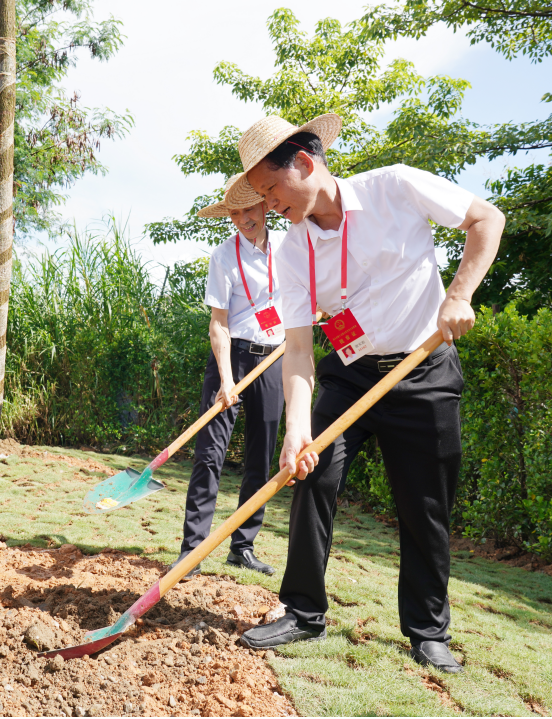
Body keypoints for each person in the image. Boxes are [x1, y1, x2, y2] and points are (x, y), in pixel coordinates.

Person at [232, 114, 505, 674]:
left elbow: (486, 219)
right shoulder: (291, 251)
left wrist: (458, 294)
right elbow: (301, 349)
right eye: (260, 195)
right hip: (351, 375)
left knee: (425, 507)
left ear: (304, 164)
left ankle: (427, 632)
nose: (269, 205)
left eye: (272, 190)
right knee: (313, 474)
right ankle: (303, 610)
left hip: (423, 371)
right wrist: (298, 429)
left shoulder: (395, 187)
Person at [171, 174, 286, 579]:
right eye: (234, 213)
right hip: (232, 358)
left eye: (248, 210)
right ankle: (192, 551)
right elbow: (218, 324)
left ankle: (243, 546)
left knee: (261, 456)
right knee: (209, 455)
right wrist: (225, 379)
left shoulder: (289, 248)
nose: (242, 219)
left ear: (265, 207)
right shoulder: (223, 256)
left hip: (274, 359)